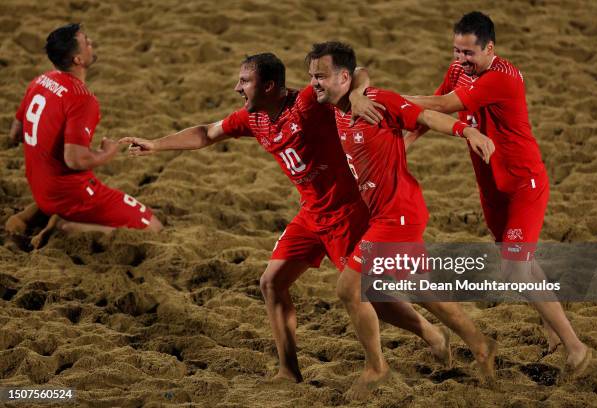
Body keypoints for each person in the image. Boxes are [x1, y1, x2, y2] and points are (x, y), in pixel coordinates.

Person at [120, 53, 454, 395]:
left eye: (244, 82)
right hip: (311, 214)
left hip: (349, 211)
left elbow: (355, 72)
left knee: (372, 297)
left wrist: (356, 93)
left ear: (268, 86)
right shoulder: (254, 119)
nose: (237, 88)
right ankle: (288, 370)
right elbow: (207, 133)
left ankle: (426, 333)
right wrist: (155, 145)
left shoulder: (309, 102)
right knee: (271, 282)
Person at [403, 11, 591, 378]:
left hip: (524, 186)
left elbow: (443, 106)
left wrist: (389, 98)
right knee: (519, 262)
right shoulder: (460, 71)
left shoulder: (501, 78)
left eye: (468, 53)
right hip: (491, 186)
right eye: (456, 51)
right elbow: (431, 113)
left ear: (490, 48)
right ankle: (552, 326)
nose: (460, 60)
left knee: (516, 269)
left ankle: (577, 348)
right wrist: (404, 145)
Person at [306, 41, 498, 398]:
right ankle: (479, 343)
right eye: (311, 76)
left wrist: (467, 131)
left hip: (398, 215)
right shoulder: (334, 100)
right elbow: (359, 68)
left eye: (321, 76)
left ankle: (376, 369)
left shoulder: (377, 101)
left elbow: (424, 116)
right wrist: (358, 86)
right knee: (423, 292)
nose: (314, 83)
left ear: (341, 77)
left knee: (349, 288)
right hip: (384, 213)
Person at [6, 23, 162, 247]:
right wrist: (107, 153)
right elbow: (76, 160)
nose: (91, 44)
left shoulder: (40, 80)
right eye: (86, 42)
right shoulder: (81, 98)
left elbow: (16, 133)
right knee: (154, 227)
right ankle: (65, 228)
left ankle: (29, 217)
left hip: (38, 185)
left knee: (58, 189)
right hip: (69, 195)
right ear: (77, 60)